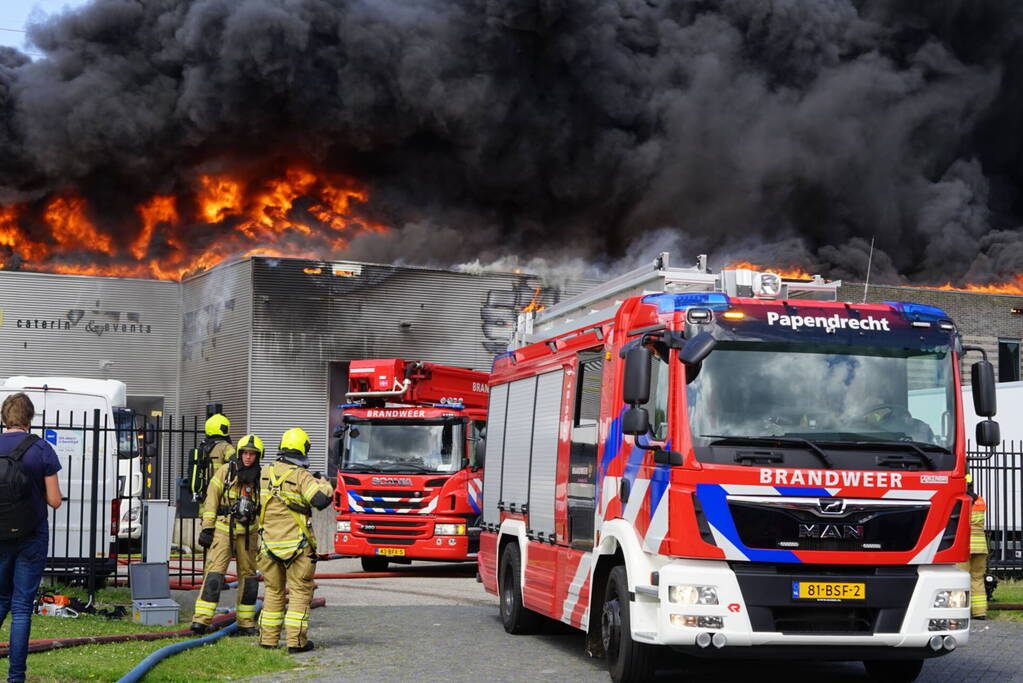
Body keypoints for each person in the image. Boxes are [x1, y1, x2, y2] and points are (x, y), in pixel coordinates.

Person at [0, 393, 62, 683]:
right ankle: (16, 678)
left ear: (4, 417)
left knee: (0, 600)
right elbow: (54, 501)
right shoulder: (42, 449)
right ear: (29, 418)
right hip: (32, 535)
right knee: (22, 607)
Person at [257, 428, 333, 652]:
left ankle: (268, 640)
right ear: (303, 449)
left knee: (273, 591)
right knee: (300, 592)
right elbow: (319, 500)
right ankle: (296, 642)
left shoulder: (265, 472)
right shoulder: (301, 475)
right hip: (297, 547)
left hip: (268, 545)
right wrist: (325, 483)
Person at [191, 433, 264, 636]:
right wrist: (207, 528)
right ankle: (201, 620)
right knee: (215, 574)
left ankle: (246, 622)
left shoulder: (262, 477)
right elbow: (211, 501)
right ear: (239, 454)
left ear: (258, 456)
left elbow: (267, 506)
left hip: (249, 533)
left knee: (249, 579)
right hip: (224, 529)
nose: (248, 457)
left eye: (253, 454)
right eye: (245, 453)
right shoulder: (225, 472)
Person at [959, 474, 988, 620]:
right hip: (981, 546)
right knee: (977, 579)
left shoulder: (960, 500)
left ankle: (962, 611)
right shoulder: (980, 500)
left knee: (961, 579)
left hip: (964, 546)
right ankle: (980, 612)